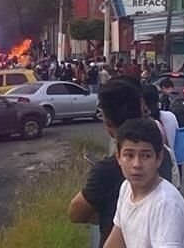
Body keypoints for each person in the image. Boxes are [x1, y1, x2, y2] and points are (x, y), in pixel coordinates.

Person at [67, 80, 144, 246]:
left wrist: (101, 212)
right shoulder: (161, 153)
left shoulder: (108, 170)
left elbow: (75, 213)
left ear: (108, 123)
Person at [104, 118, 184, 248]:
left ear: (159, 158)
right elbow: (116, 241)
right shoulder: (126, 188)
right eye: (129, 155)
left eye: (146, 156)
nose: (137, 165)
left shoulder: (166, 205)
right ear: (118, 158)